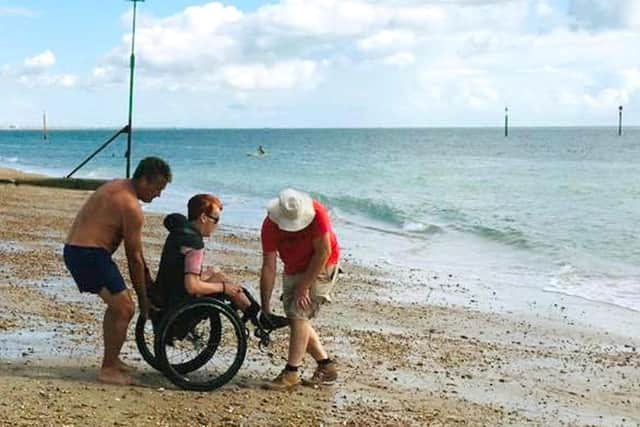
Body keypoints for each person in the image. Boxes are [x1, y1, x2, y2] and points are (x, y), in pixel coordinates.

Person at [63, 156, 171, 385]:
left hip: (78, 250)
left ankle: (112, 360)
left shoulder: (115, 185)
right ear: (144, 180)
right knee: (125, 308)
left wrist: (147, 282)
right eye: (158, 188)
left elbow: (138, 257)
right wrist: (143, 300)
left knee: (118, 307)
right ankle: (108, 369)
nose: (159, 194)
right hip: (87, 255)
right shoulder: (131, 206)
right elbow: (133, 258)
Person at [151, 194, 288, 329]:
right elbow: (191, 286)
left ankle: (255, 312)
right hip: (178, 307)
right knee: (225, 285)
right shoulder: (194, 244)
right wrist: (224, 288)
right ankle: (258, 316)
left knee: (215, 272)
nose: (217, 225)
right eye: (215, 220)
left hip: (167, 295)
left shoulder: (180, 232)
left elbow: (181, 275)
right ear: (203, 218)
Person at [259, 188, 340, 390]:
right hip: (293, 265)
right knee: (295, 317)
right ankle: (326, 365)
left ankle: (291, 373)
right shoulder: (269, 225)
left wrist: (304, 286)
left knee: (298, 314)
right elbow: (269, 266)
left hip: (323, 263)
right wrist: (265, 306)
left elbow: (323, 252)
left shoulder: (317, 213)